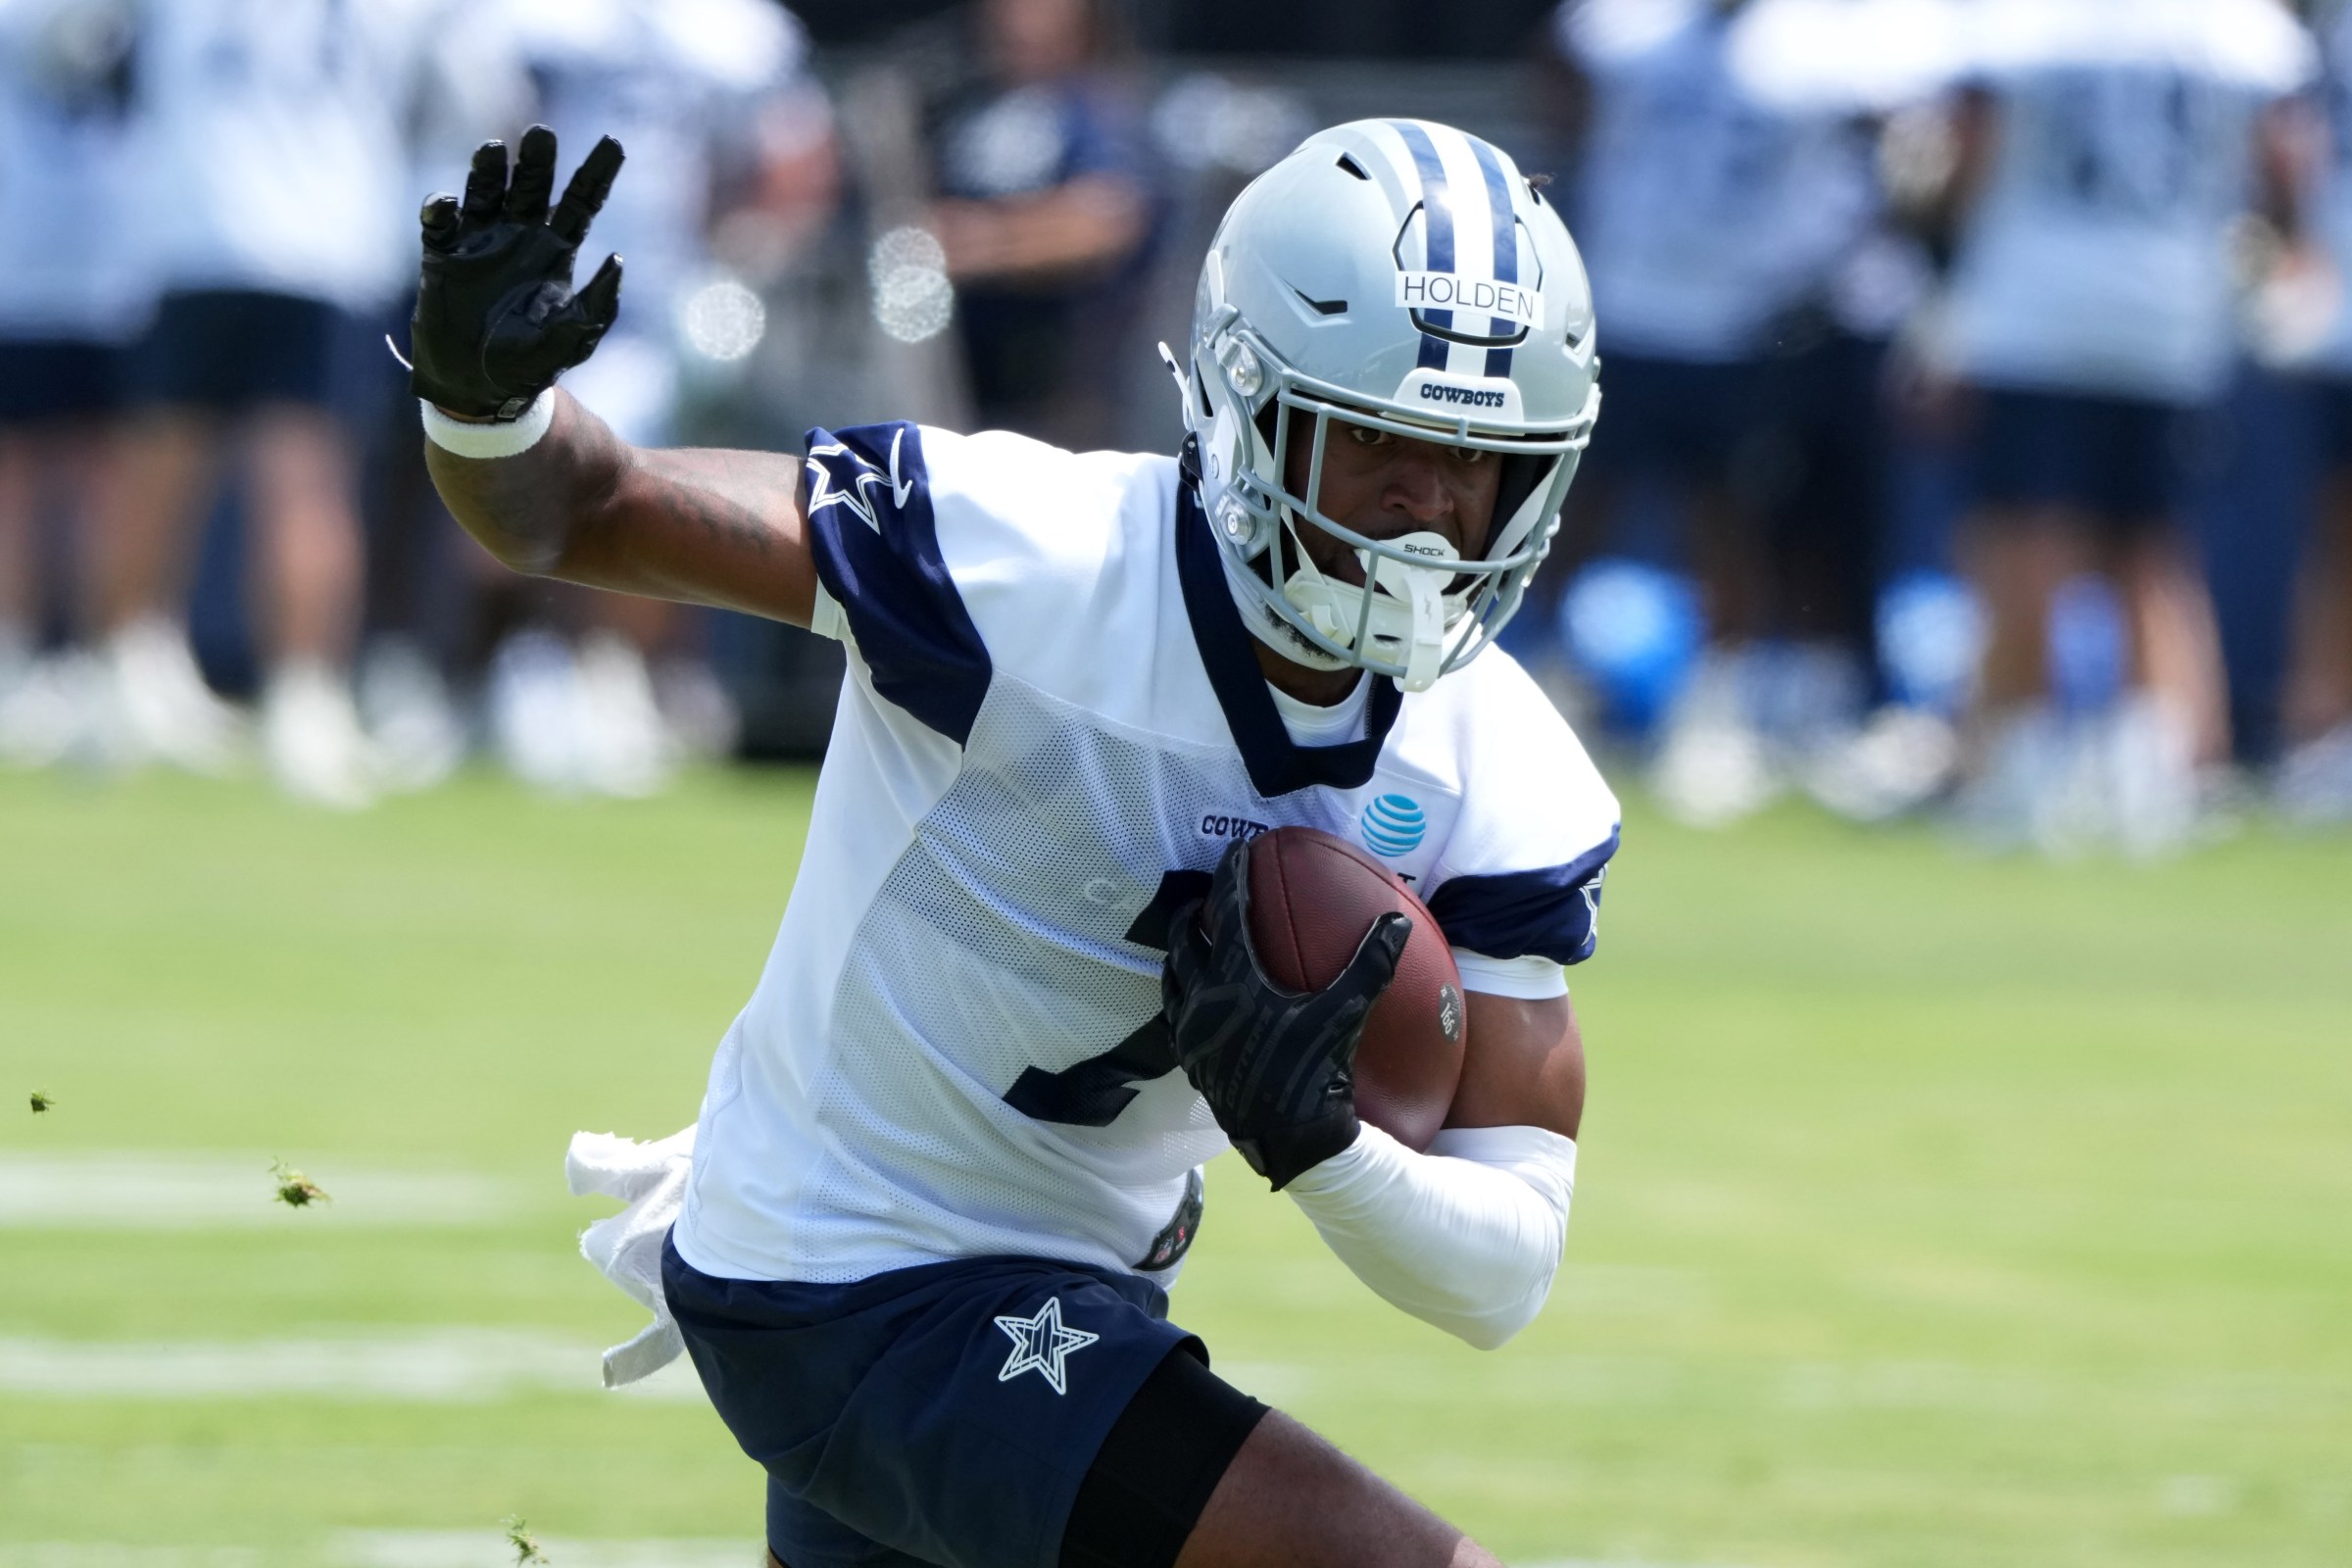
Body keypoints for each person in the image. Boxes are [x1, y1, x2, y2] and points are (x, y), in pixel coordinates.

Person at [414, 120, 1614, 1567]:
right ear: (1249, 400)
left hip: (1074, 1291)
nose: (1431, 506)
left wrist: (1321, 1145)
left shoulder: (1500, 756)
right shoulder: (1025, 559)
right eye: (1378, 440)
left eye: (1473, 458)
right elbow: (587, 513)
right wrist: (490, 411)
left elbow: (1502, 1273)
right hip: (850, 1271)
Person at [1933, 0, 2316, 854]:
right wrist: (2278, 253)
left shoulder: (2022, 20)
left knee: (2031, 537)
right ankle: (2162, 773)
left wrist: (1941, 270)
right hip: (2175, 311)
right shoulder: (2237, 25)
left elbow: (1970, 146)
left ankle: (2019, 769)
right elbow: (2285, 158)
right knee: (2153, 548)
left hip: (2036, 307)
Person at [1545, 0, 1891, 825]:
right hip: (1625, 302)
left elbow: (1878, 138)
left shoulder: (1812, 48)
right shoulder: (1626, 25)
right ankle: (1557, 685)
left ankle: (1713, 710)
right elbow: (1556, 75)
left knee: (1726, 524)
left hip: (1738, 319)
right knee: (1567, 511)